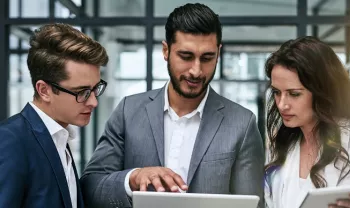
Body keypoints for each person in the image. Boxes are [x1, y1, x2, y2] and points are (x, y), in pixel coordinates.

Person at [80, 3, 264, 208]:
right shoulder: (128, 111)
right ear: (166, 51)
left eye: (207, 58)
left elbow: (252, 205)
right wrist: (133, 178)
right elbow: (91, 188)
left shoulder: (242, 123)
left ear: (218, 53)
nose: (196, 70)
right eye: (186, 57)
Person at [0, 23, 108, 208]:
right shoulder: (10, 141)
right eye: (81, 92)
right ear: (44, 90)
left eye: (95, 89)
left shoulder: (59, 138)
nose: (93, 102)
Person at [264, 36, 350, 208]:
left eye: (294, 94)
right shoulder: (282, 148)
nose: (282, 104)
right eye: (276, 92)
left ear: (322, 91)